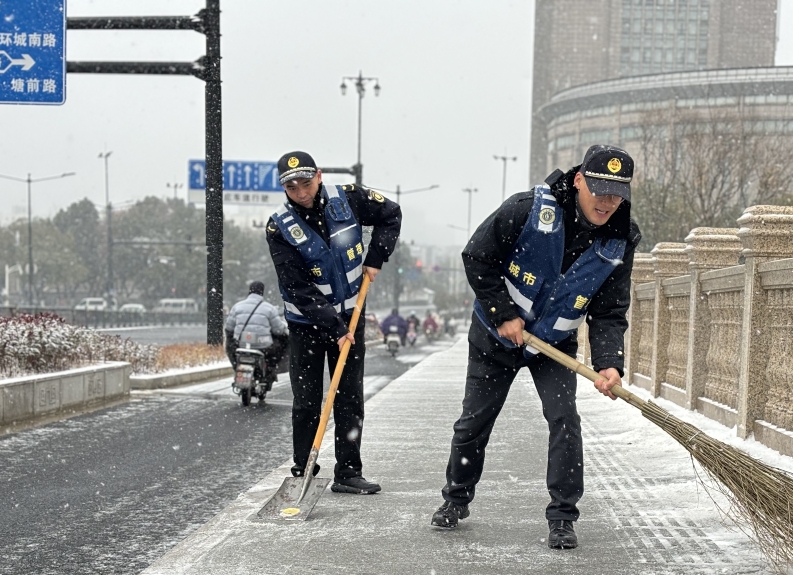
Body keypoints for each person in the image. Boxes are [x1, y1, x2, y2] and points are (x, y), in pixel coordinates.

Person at [432, 145, 641, 549]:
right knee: (474, 422)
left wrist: (610, 362)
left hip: (553, 343)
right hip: (495, 338)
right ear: (578, 180)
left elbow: (610, 309)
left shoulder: (621, 239)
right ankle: (455, 499)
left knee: (565, 420)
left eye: (617, 194)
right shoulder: (528, 208)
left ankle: (563, 516)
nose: (607, 202)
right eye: (599, 190)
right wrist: (502, 313)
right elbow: (477, 256)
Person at [266, 150, 402, 494]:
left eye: (306, 183)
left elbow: (391, 214)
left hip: (351, 315)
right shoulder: (279, 227)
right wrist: (335, 328)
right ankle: (304, 470)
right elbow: (296, 286)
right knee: (308, 400)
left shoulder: (350, 199)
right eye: (292, 186)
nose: (300, 191)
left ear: (320, 176)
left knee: (349, 398)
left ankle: (348, 472)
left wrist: (376, 257)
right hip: (306, 324)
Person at [224, 280, 288, 379]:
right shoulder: (269, 308)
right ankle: (269, 371)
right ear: (262, 292)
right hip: (263, 346)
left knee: (230, 346)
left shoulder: (237, 307)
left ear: (249, 291)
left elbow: (229, 328)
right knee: (281, 344)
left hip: (241, 344)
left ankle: (237, 367)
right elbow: (278, 330)